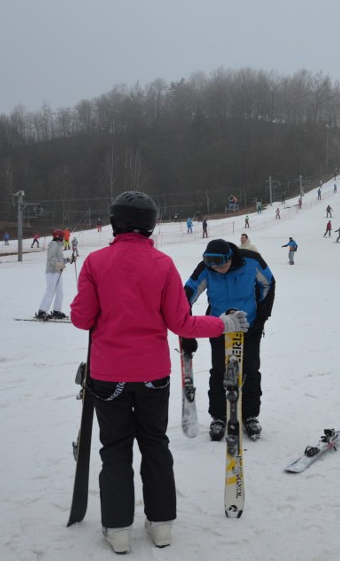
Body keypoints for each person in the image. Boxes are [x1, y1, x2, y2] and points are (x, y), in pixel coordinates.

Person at [70, 192, 248, 553]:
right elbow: (180, 322)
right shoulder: (163, 264)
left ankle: (118, 530)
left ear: (116, 221)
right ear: (150, 224)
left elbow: (81, 318)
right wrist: (223, 324)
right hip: (152, 375)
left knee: (115, 449)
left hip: (108, 377)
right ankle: (161, 524)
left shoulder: (95, 263)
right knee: (155, 444)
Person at [182, 239, 275, 442]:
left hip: (248, 327)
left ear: (230, 258)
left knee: (250, 370)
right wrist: (185, 330)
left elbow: (268, 283)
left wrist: (261, 317)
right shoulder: (208, 268)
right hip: (220, 326)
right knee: (219, 372)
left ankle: (249, 415)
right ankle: (219, 416)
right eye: (212, 265)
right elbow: (187, 294)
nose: (217, 269)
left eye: (221, 264)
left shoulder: (251, 261)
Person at [35, 230, 69, 320]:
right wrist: (58, 264)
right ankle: (42, 311)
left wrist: (68, 260)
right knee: (50, 291)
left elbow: (59, 259)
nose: (64, 238)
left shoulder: (58, 246)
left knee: (60, 292)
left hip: (57, 272)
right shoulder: (53, 244)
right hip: (52, 272)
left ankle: (56, 311)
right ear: (59, 237)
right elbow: (51, 257)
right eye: (63, 236)